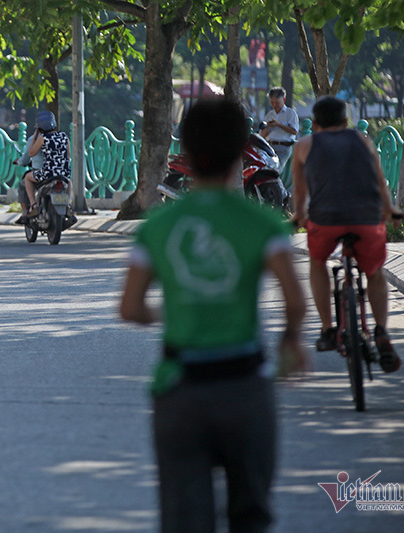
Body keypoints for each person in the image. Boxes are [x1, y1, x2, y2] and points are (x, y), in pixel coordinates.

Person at [120, 99, 309, 533]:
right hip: (244, 388)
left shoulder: (157, 226)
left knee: (184, 519)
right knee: (251, 513)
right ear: (241, 149)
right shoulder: (263, 224)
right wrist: (291, 341)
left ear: (186, 148)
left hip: (179, 390)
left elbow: (129, 307)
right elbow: (295, 302)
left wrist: (177, 308)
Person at [291, 96, 404, 372]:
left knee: (317, 263)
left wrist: (298, 218)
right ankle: (381, 331)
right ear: (345, 121)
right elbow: (379, 180)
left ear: (314, 124)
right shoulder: (363, 140)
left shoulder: (304, 145)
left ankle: (329, 329)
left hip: (325, 220)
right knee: (375, 272)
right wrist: (390, 211)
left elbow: (300, 192)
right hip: (366, 218)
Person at [23, 111, 70, 219]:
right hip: (63, 172)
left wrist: (35, 137)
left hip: (48, 174)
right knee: (68, 181)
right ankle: (68, 205)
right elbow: (69, 156)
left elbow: (31, 153)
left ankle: (33, 205)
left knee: (27, 178)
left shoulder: (43, 138)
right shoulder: (64, 136)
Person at [261, 87, 299, 173]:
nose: (274, 105)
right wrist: (268, 126)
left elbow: (294, 131)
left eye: (277, 102)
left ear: (284, 100)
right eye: (272, 102)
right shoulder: (269, 114)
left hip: (283, 147)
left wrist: (278, 124)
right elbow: (262, 135)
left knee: (275, 171)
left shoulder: (290, 113)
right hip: (269, 146)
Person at [13, 126, 44, 224]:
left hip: (43, 173)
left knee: (26, 180)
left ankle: (30, 209)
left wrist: (20, 162)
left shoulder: (37, 139)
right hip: (61, 172)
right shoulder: (62, 137)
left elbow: (28, 155)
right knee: (67, 181)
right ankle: (67, 205)